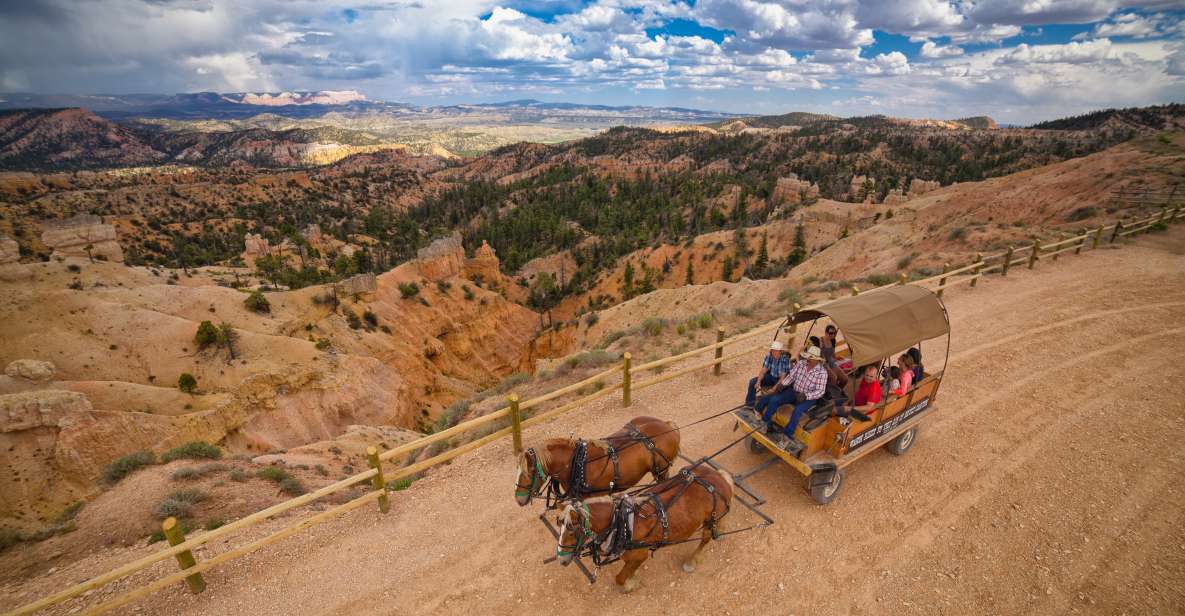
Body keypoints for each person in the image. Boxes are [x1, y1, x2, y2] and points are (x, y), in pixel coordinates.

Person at [757, 345, 828, 441]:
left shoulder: (822, 373)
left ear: (817, 360)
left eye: (810, 358)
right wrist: (782, 384)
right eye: (807, 357)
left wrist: (806, 396)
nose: (807, 359)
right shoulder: (801, 363)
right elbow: (791, 376)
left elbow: (820, 391)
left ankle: (787, 434)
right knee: (775, 399)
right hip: (794, 391)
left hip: (809, 397)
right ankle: (765, 422)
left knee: (798, 411)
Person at [745, 340, 790, 407]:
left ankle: (761, 408)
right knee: (753, 382)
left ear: (780, 351)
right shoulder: (769, 355)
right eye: (772, 350)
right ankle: (749, 404)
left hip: (779, 381)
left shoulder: (785, 359)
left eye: (775, 350)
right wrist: (758, 381)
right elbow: (763, 370)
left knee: (774, 393)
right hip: (771, 376)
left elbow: (782, 378)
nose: (772, 352)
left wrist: (774, 389)